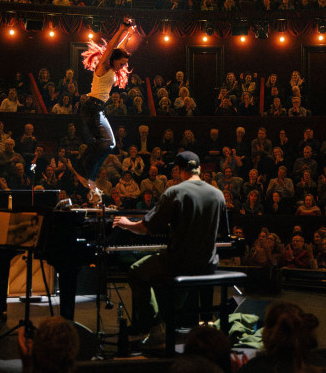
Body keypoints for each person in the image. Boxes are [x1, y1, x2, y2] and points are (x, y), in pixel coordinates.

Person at [113, 151, 225, 348]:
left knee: (136, 271)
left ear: (178, 170)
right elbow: (222, 232)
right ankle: (170, 320)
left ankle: (156, 327)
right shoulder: (218, 194)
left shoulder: (175, 192)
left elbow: (147, 228)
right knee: (166, 277)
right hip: (208, 262)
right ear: (199, 168)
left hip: (179, 262)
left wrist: (126, 223)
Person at [78, 19, 137, 202]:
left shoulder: (112, 64)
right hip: (92, 108)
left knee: (109, 144)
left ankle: (89, 176)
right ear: (113, 59)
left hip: (98, 108)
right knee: (106, 142)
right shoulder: (103, 65)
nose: (123, 66)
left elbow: (119, 48)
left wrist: (129, 34)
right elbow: (112, 47)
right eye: (121, 63)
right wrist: (121, 28)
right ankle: (82, 168)